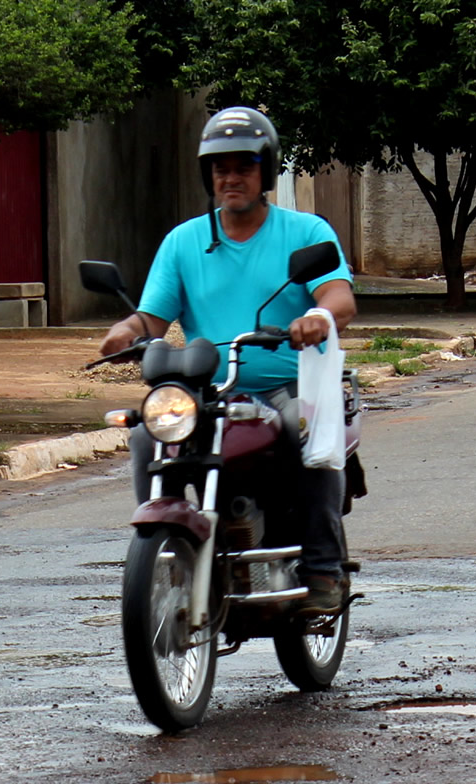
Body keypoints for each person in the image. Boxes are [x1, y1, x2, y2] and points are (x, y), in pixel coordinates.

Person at [98, 106, 359, 613]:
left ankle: (324, 569)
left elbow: (340, 299)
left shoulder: (306, 232)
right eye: (221, 168)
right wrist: (126, 331)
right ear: (207, 175)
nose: (231, 178)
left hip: (286, 383)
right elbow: (151, 320)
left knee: (306, 433)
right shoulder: (185, 241)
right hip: (208, 391)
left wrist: (316, 318)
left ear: (266, 172)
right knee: (143, 435)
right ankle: (168, 549)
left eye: (243, 166)